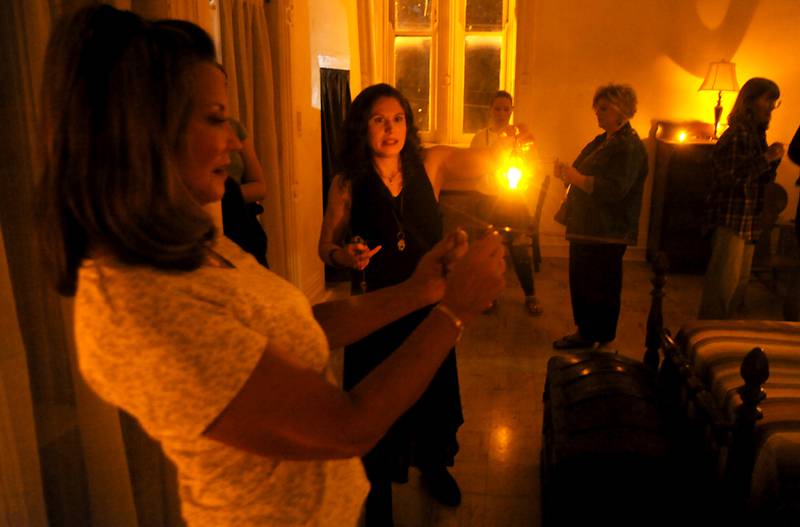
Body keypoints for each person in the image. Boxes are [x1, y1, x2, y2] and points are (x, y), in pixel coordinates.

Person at [37, 6, 506, 527]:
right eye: (215, 118)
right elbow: (345, 426)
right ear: (144, 130)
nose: (237, 141)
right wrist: (454, 311)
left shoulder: (195, 245)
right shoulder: (140, 305)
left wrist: (422, 292)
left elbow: (290, 326)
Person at [317, 83, 504, 525]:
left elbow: (487, 162)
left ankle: (435, 466)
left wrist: (507, 140)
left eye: (398, 119)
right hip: (377, 311)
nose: (390, 129)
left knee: (433, 395)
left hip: (430, 304)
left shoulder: (431, 163)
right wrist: (345, 256)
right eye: (379, 120)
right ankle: (377, 491)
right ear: (362, 127)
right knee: (376, 400)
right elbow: (325, 245)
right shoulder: (348, 182)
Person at [552, 83, 648, 350]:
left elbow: (616, 189)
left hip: (606, 231)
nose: (598, 114)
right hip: (589, 227)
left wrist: (576, 177)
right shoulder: (603, 141)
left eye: (604, 109)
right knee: (585, 281)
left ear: (622, 110)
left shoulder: (628, 147)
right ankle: (589, 332)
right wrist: (567, 173)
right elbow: (582, 173)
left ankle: (595, 335)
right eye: (597, 109)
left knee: (599, 286)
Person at [698, 78, 784, 320]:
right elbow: (731, 177)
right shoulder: (737, 134)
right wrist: (766, 158)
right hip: (731, 218)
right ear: (750, 101)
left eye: (774, 102)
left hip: (748, 219)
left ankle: (726, 334)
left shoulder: (756, 134)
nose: (770, 107)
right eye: (767, 99)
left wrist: (772, 160)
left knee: (738, 284)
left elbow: (760, 179)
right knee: (722, 286)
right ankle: (708, 336)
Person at [470, 90, 542, 315]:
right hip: (486, 199)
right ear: (490, 110)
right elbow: (473, 166)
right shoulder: (481, 137)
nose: (502, 113)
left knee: (519, 248)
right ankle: (488, 296)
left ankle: (530, 294)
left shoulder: (522, 138)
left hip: (512, 201)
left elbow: (533, 165)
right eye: (497, 108)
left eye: (506, 108)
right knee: (489, 250)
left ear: (511, 111)